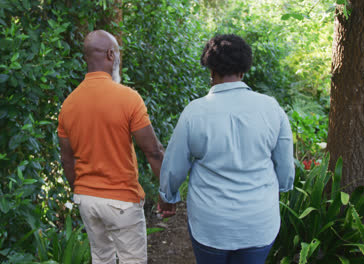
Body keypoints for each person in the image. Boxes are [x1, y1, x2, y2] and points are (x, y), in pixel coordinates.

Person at [159, 34, 295, 264]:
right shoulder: (271, 108)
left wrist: (168, 197)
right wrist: (281, 187)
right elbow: (285, 167)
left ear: (211, 71)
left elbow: (175, 165)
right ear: (243, 70)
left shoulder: (195, 111)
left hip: (211, 224)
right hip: (258, 222)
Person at [57, 30, 172, 264]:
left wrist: (80, 190)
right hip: (121, 201)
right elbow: (154, 151)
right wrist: (167, 194)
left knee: (102, 259)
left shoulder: (68, 104)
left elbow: (67, 159)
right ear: (111, 55)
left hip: (87, 200)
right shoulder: (128, 98)